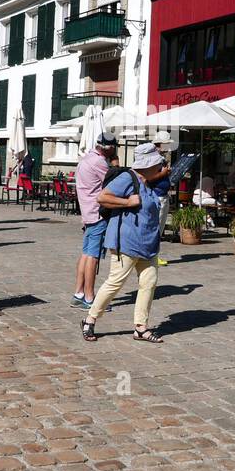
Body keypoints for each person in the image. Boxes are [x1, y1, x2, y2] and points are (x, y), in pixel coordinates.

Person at [79, 143, 170, 344]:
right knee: (115, 283)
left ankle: (140, 327)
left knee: (149, 282)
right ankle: (89, 320)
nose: (160, 167)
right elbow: (102, 197)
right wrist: (128, 202)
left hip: (147, 244)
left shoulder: (147, 181)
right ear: (147, 165)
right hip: (126, 242)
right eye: (157, 163)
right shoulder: (126, 178)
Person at [72, 133, 117, 310]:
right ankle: (90, 297)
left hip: (87, 212)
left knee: (86, 253)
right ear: (109, 148)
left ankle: (78, 292)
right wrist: (116, 166)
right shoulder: (99, 162)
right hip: (98, 213)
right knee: (93, 256)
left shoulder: (86, 158)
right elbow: (114, 182)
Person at [151, 131, 179, 266]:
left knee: (159, 228)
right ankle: (152, 256)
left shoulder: (160, 158)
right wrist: (164, 173)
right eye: (167, 145)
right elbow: (149, 178)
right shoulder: (154, 159)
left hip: (162, 194)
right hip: (157, 196)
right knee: (156, 227)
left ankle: (154, 254)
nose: (168, 148)